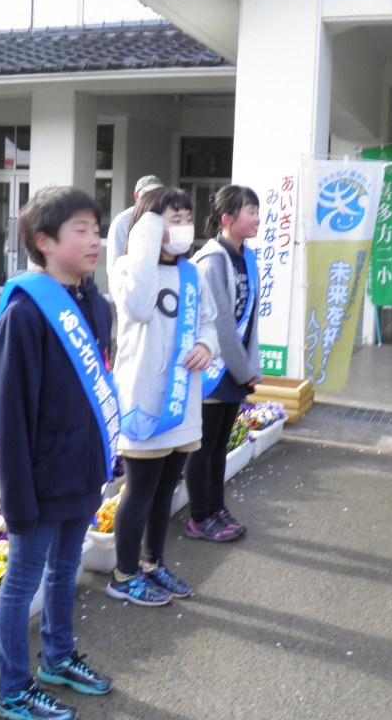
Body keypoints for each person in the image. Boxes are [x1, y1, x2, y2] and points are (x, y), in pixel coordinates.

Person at [0, 187, 114, 720]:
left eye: (97, 229)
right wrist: (17, 496)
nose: (95, 240)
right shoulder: (25, 313)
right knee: (21, 584)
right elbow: (9, 416)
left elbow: (102, 384)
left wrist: (106, 458)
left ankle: (58, 658)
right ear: (44, 242)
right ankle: (13, 687)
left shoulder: (99, 306)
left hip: (81, 473)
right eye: (81, 230)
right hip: (39, 482)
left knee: (65, 570)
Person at [108, 187, 219, 604]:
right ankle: (123, 575)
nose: (184, 226)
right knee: (140, 490)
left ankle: (153, 564)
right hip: (146, 401)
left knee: (166, 490)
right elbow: (138, 307)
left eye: (187, 218)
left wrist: (206, 345)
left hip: (183, 403)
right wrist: (145, 240)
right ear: (148, 227)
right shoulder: (128, 268)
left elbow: (208, 322)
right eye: (173, 219)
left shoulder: (192, 273)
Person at [186, 185, 262, 541]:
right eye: (251, 211)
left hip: (235, 370)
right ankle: (199, 517)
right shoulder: (212, 261)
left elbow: (251, 321)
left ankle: (216, 508)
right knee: (204, 448)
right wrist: (245, 371)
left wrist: (251, 366)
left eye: (257, 211)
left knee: (220, 447)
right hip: (215, 370)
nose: (258, 218)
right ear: (228, 218)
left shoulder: (247, 257)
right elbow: (221, 326)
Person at [105, 174, 165, 285]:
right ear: (137, 196)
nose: (154, 198)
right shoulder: (122, 221)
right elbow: (114, 264)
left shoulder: (165, 217)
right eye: (149, 194)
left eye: (158, 194)